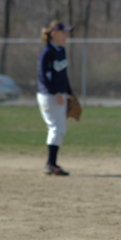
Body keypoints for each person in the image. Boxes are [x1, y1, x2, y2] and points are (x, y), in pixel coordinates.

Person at [37, 21, 74, 176]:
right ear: (53, 34)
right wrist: (55, 93)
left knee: (59, 129)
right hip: (49, 95)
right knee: (56, 128)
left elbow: (63, 75)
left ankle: (52, 164)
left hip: (59, 94)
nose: (66, 35)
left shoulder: (61, 50)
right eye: (62, 32)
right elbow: (42, 75)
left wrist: (69, 93)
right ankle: (50, 164)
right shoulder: (47, 51)